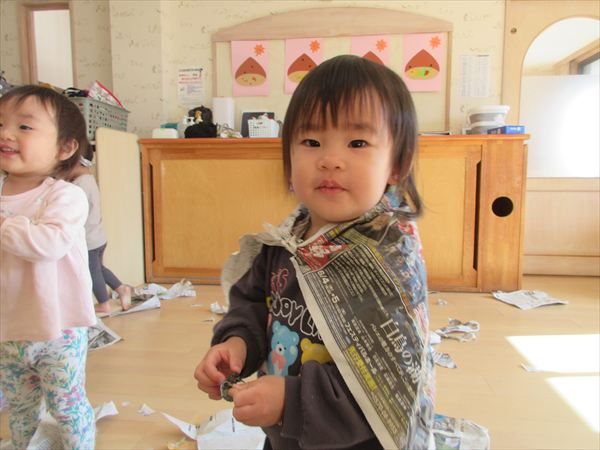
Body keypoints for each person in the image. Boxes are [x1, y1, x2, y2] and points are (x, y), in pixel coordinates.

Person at [194, 55, 435, 450]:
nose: (329, 160)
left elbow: (388, 383)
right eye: (311, 142)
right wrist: (237, 344)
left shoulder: (390, 264)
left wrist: (291, 401)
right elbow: (253, 304)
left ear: (397, 164)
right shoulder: (288, 240)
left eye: (357, 143)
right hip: (285, 432)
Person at [0, 85, 96, 449]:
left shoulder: (64, 195)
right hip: (8, 330)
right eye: (0, 124)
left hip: (59, 330)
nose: (6, 134)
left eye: (24, 127)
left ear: (65, 148)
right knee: (21, 410)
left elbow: (48, 244)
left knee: (67, 407)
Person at [68, 147, 132, 315]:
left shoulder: (79, 185)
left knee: (92, 271)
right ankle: (121, 288)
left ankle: (103, 303)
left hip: (89, 239)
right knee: (98, 268)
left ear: (77, 162)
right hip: (98, 237)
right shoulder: (89, 180)